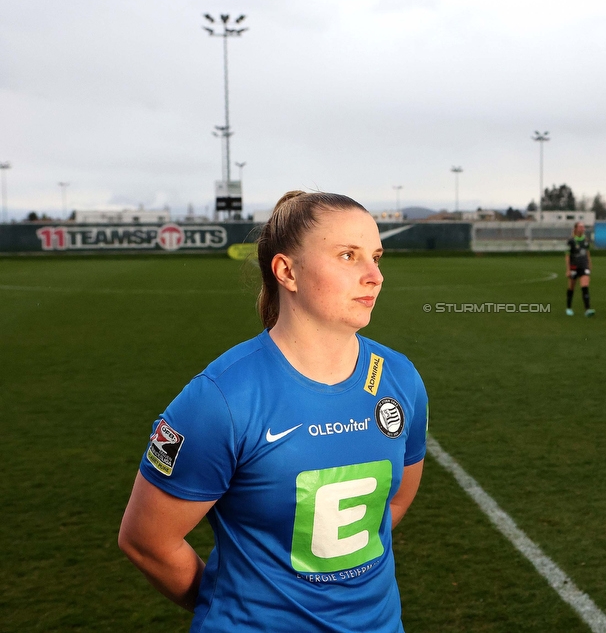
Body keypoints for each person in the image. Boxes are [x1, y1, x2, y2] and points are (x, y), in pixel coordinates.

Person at [119, 191, 428, 632]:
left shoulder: (399, 378)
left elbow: (395, 500)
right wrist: (237, 605)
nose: (374, 276)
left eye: (376, 257)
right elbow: (146, 541)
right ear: (287, 272)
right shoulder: (220, 399)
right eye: (348, 256)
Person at [566, 221, 595, 316]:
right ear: (576, 229)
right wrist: (568, 269)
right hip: (573, 267)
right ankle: (569, 308)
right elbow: (567, 255)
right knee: (571, 287)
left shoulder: (586, 240)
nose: (583, 228)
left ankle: (587, 310)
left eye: (583, 227)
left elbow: (587, 253)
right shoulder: (571, 241)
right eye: (580, 227)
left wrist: (589, 263)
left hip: (584, 265)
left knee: (585, 286)